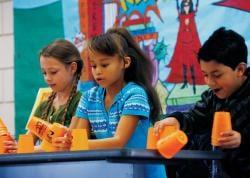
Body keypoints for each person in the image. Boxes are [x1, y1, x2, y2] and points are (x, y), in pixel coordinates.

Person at [53, 27, 167, 178]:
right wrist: (65, 140)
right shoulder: (89, 97)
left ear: (125, 63)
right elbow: (77, 137)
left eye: (104, 65)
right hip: (112, 172)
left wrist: (72, 143)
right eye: (94, 66)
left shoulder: (135, 93)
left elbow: (118, 142)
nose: (98, 71)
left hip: (143, 173)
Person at [154, 27, 249, 178]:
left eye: (216, 75)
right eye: (205, 75)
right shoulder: (212, 97)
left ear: (240, 69)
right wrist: (177, 120)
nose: (210, 82)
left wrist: (242, 139)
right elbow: (195, 117)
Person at [4, 39, 84, 152]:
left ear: (72, 68)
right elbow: (28, 140)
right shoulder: (44, 105)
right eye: (44, 73)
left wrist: (25, 149)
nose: (48, 78)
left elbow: (66, 146)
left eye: (53, 72)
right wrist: (13, 146)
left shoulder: (82, 102)